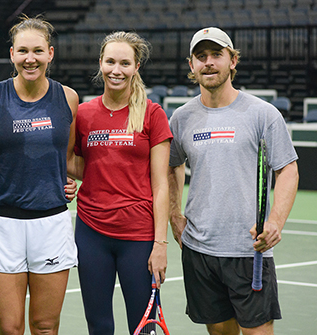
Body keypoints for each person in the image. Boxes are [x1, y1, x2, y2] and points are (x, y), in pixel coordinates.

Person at [168, 27, 299, 335]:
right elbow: (171, 166)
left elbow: (288, 170)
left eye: (217, 55)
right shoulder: (182, 118)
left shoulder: (262, 114)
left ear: (233, 60)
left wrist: (276, 221)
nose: (209, 63)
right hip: (199, 250)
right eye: (201, 57)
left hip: (249, 250)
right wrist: (175, 214)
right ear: (192, 65)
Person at [0, 15, 79, 335]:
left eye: (38, 51)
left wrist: (64, 179)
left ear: (50, 54)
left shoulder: (68, 98)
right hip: (3, 225)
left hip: (51, 223)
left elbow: (67, 156)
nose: (31, 59)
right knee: (10, 327)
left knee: (44, 326)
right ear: (12, 54)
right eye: (23, 51)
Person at [67, 31, 172, 335]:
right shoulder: (83, 114)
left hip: (138, 237)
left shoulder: (153, 114)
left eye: (124, 63)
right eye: (110, 61)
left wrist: (160, 244)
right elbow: (72, 163)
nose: (116, 69)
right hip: (91, 233)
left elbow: (161, 184)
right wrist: (68, 182)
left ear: (136, 66)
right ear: (100, 63)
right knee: (99, 325)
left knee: (143, 327)